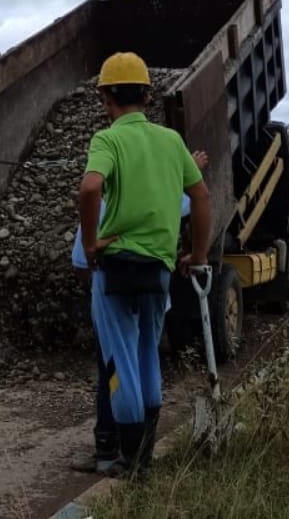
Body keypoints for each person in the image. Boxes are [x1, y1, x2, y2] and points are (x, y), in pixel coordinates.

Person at [78, 52, 212, 478]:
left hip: (115, 268)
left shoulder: (108, 140)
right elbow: (202, 197)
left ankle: (131, 464)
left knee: (119, 362)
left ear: (104, 97)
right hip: (158, 266)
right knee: (148, 355)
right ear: (149, 94)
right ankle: (146, 459)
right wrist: (199, 254)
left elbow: (90, 188)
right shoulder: (171, 141)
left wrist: (90, 243)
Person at [68, 152, 207, 474]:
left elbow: (80, 263)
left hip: (114, 297)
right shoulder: (162, 200)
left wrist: (96, 274)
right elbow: (190, 200)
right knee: (147, 362)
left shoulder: (103, 205)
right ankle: (142, 453)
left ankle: (110, 451)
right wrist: (191, 169)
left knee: (114, 372)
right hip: (155, 295)